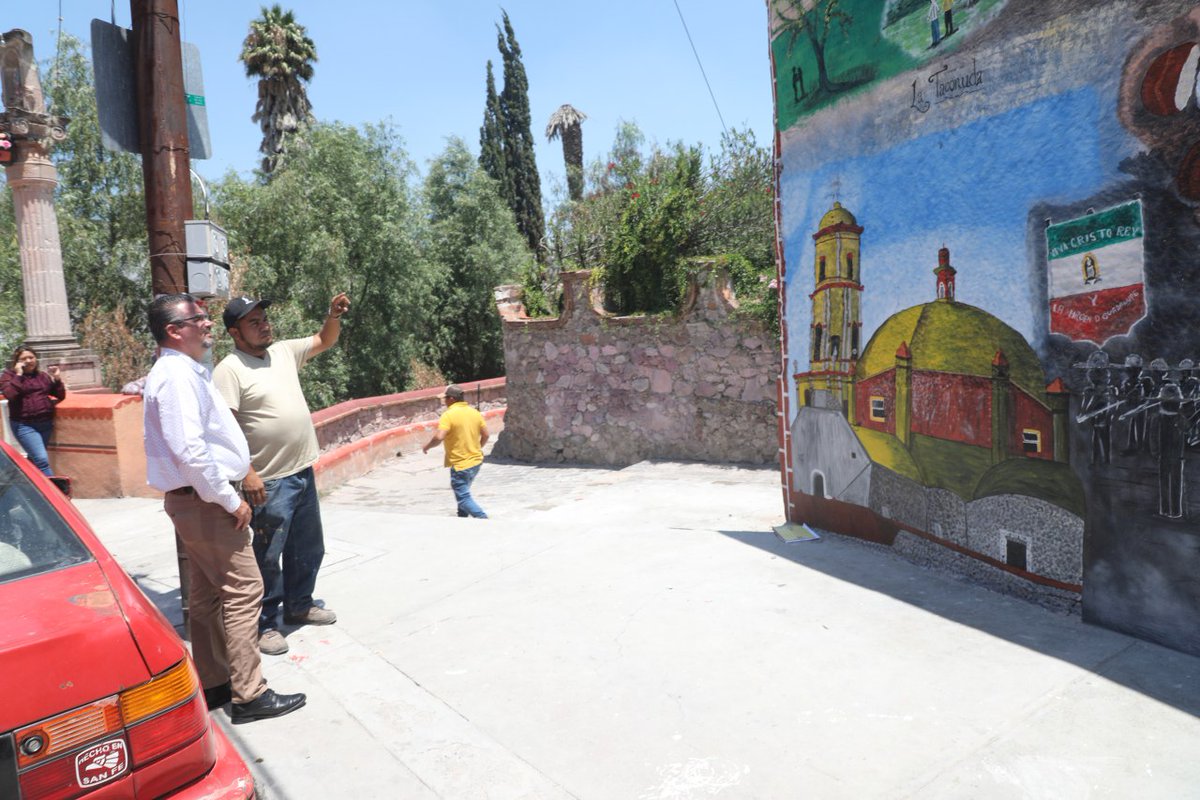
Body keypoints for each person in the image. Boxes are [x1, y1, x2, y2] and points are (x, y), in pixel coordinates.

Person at [143, 293, 305, 724]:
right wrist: (231, 499)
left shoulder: (180, 371)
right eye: (198, 320)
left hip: (194, 502)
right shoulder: (176, 376)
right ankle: (250, 695)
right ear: (175, 331)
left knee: (206, 595)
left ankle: (215, 683)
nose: (208, 325)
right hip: (206, 502)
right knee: (243, 591)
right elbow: (191, 452)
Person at [213, 293, 349, 656]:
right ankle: (265, 623)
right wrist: (248, 473)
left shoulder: (283, 352)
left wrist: (332, 314)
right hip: (268, 482)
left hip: (301, 471)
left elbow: (324, 340)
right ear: (235, 332)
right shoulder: (229, 369)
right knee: (267, 556)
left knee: (308, 547)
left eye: (263, 318)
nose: (264, 325)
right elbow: (225, 428)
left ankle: (300, 604)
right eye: (253, 322)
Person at [422, 384, 489, 519]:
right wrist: (477, 448)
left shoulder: (448, 415)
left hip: (460, 465)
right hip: (476, 462)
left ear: (451, 399)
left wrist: (427, 447)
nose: (444, 401)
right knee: (464, 491)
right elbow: (486, 435)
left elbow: (439, 436)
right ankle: (462, 520)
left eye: (445, 398)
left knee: (463, 498)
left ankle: (483, 520)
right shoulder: (474, 413)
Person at [1, 345, 66, 476]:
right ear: (17, 361)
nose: (29, 361)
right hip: (24, 425)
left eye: (31, 357)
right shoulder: (8, 376)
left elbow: (60, 395)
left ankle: (25, 488)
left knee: (34, 459)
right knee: (41, 460)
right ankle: (54, 493)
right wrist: (18, 375)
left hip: (46, 424)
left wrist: (57, 379)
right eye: (24, 358)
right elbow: (10, 395)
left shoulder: (42, 376)